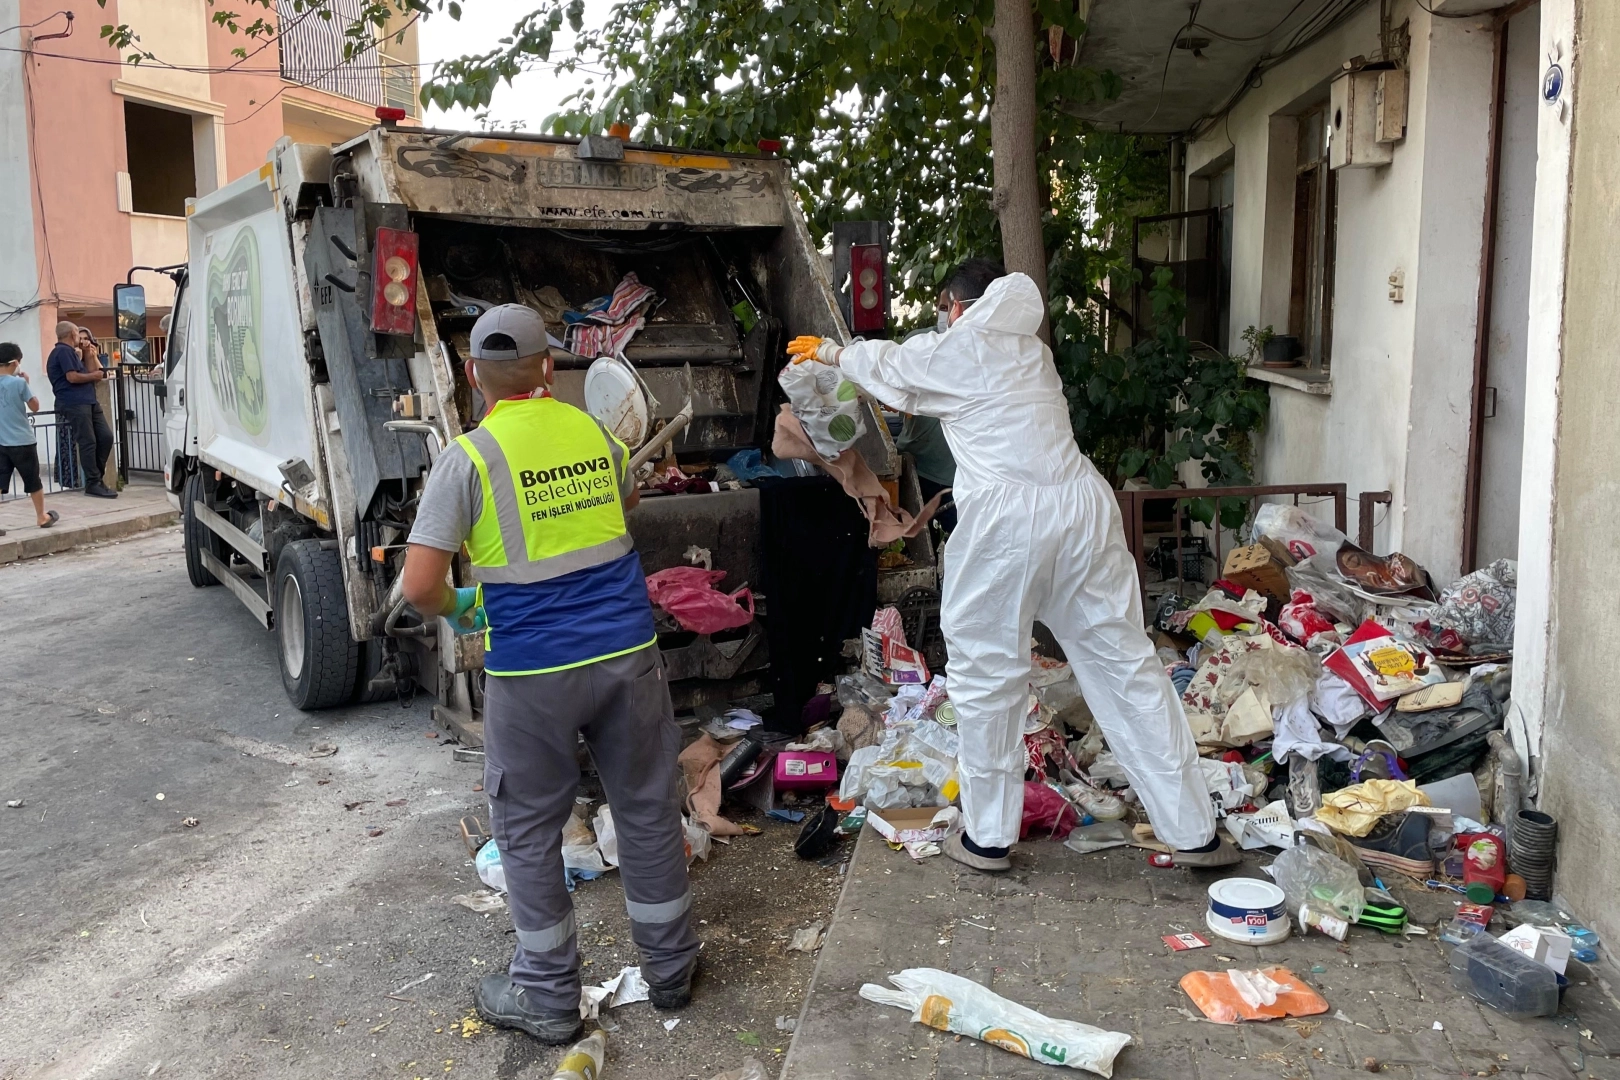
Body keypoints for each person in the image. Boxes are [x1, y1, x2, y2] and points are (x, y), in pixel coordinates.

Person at [795, 260, 1239, 872]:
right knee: (1126, 666)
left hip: (1008, 523)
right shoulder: (1032, 350)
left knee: (988, 677)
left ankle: (988, 838)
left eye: (944, 306)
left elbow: (895, 371)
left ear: (959, 304)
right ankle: (1194, 833)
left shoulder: (964, 346)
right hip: (1081, 512)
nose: (944, 318)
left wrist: (833, 354)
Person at [400, 305, 700, 1045]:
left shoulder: (468, 458)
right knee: (645, 807)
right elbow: (626, 501)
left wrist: (462, 607)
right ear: (546, 369)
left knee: (530, 830)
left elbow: (419, 585)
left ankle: (547, 995)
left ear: (472, 374)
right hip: (627, 659)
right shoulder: (595, 435)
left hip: (533, 673)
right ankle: (671, 970)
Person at [45, 321, 116, 498]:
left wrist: (88, 354)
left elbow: (91, 371)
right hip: (74, 402)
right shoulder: (63, 351)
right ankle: (93, 483)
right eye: (78, 334)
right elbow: (72, 377)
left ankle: (96, 478)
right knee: (88, 441)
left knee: (105, 437)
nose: (80, 338)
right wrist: (93, 375)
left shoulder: (72, 353)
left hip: (89, 400)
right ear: (73, 334)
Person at [0, 343, 59, 533]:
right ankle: (41, 516)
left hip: (1, 441)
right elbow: (35, 407)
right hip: (22, 441)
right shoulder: (19, 383)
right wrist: (27, 383)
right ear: (15, 363)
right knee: (33, 480)